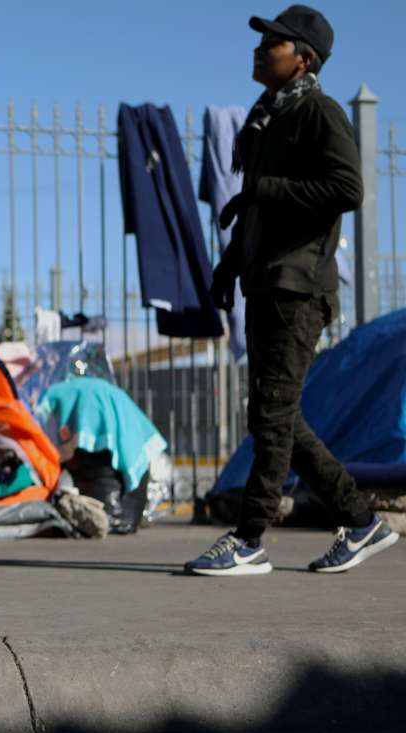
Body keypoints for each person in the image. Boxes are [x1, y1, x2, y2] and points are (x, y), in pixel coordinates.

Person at [186, 6, 398, 576]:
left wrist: (267, 190)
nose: (261, 49)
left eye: (274, 42)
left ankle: (250, 538)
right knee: (273, 416)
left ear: (303, 58)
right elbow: (257, 208)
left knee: (272, 414)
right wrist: (229, 266)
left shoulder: (319, 113)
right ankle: (362, 521)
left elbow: (347, 187)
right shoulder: (267, 120)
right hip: (265, 280)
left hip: (300, 286)